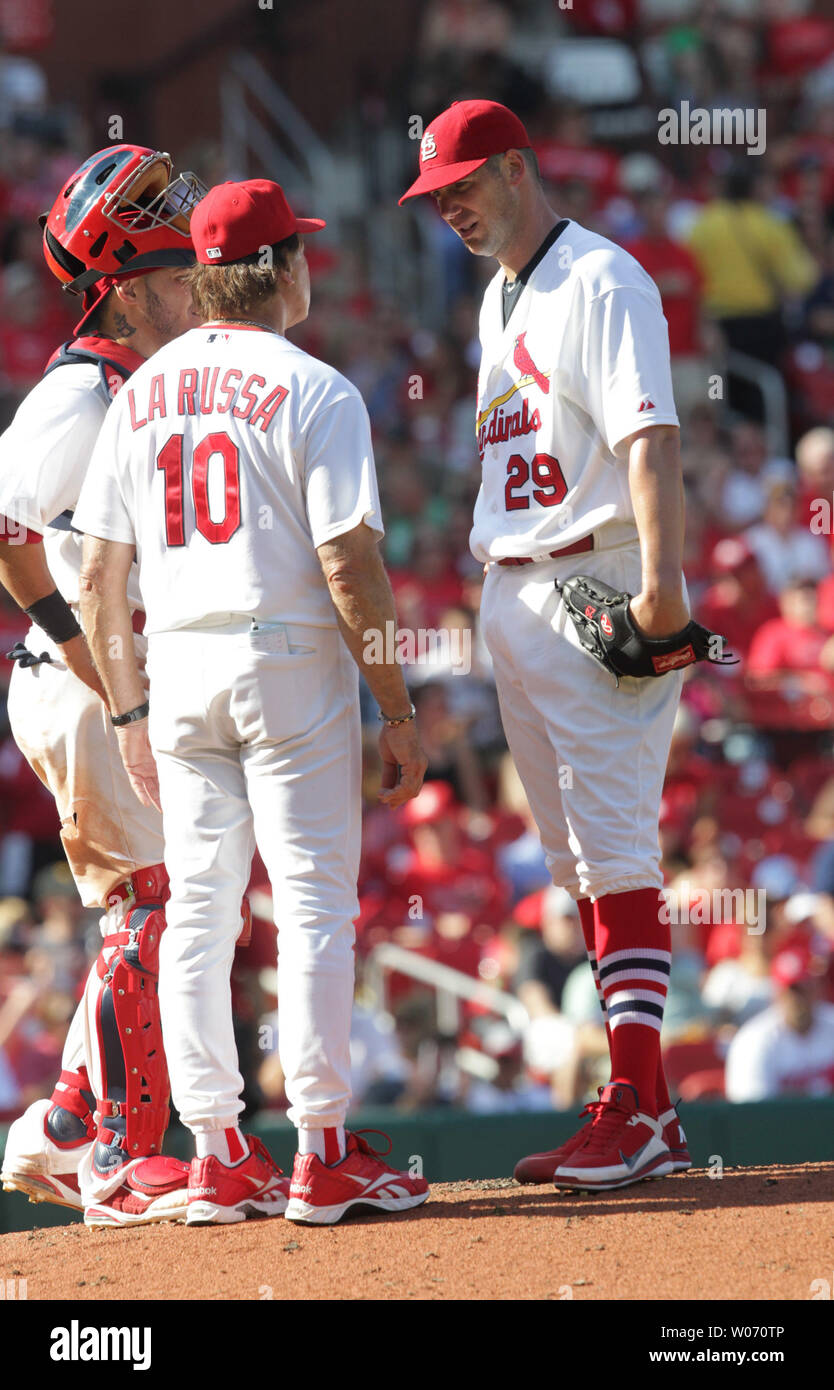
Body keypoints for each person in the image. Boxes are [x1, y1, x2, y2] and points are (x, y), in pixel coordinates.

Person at [73, 178, 431, 1226]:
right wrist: (396, 705)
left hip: (177, 664)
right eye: (301, 252)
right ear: (279, 269)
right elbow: (351, 561)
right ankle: (321, 1148)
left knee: (200, 908)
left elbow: (100, 577)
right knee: (314, 902)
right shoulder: (315, 388)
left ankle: (217, 1151)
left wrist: (130, 714)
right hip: (286, 656)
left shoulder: (138, 390)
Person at [401, 99, 692, 1191]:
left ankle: (638, 1103)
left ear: (519, 169)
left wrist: (661, 586)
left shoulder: (605, 277)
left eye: (463, 187)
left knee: (615, 846)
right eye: (437, 199)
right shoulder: (496, 297)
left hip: (594, 572)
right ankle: (642, 1101)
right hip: (515, 581)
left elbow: (648, 435)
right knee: (576, 859)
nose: (452, 211)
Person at [0, 145, 210, 1228]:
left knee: (165, 905)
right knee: (146, 907)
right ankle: (123, 1158)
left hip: (118, 686)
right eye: (176, 272)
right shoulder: (81, 390)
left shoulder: (142, 378)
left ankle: (70, 1124)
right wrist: (92, 663)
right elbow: (5, 533)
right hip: (81, 686)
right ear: (127, 287)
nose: (193, 286)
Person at [725, 945, 834, 1101]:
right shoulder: (753, 1040)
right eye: (793, 990)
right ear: (777, 993)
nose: (799, 999)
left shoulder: (830, 1023)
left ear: (818, 988)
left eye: (806, 988)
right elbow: (753, 1114)